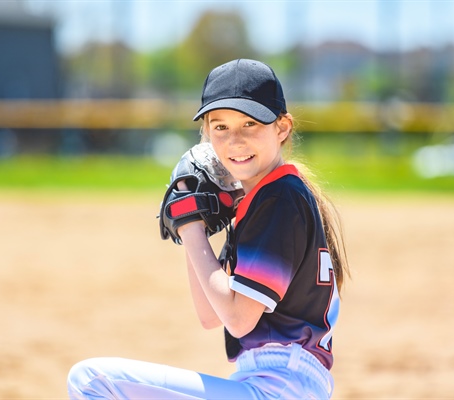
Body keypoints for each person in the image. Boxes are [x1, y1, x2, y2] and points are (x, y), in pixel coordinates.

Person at [67, 58, 350, 399]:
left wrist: (188, 225)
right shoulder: (267, 200)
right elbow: (209, 314)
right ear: (205, 134)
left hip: (278, 387)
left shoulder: (278, 198)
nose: (235, 140)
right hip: (273, 383)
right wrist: (197, 224)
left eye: (250, 124)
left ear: (282, 128)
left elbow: (238, 319)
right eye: (220, 127)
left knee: (91, 380)